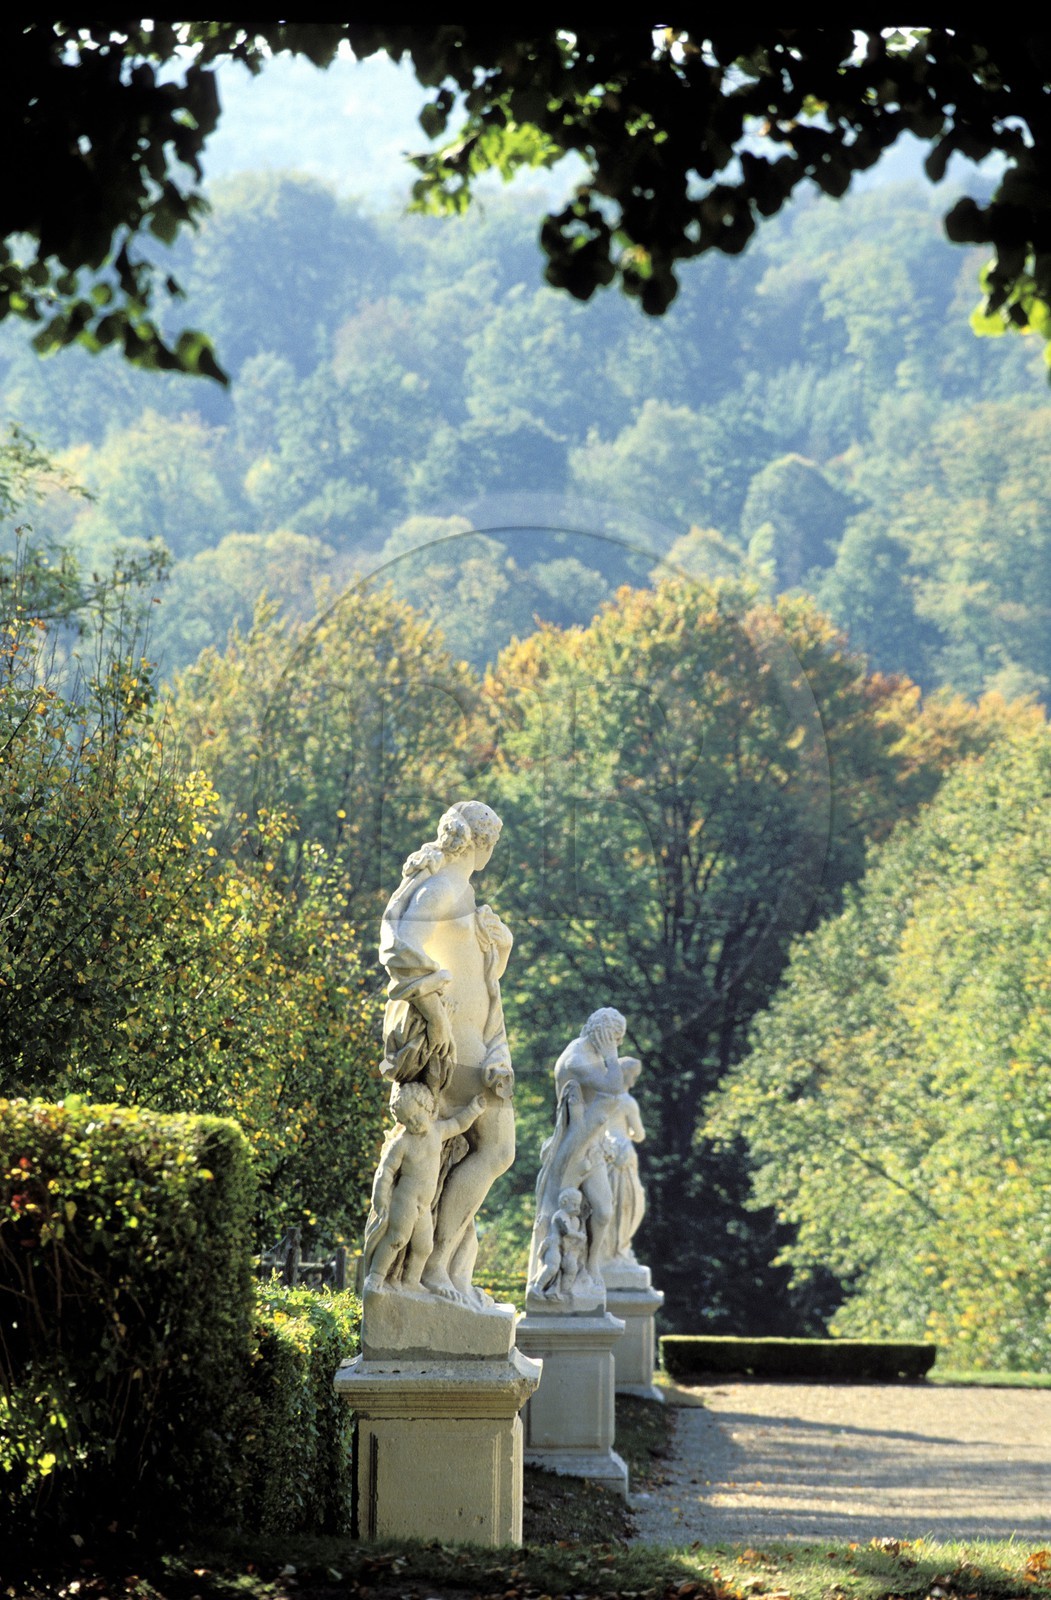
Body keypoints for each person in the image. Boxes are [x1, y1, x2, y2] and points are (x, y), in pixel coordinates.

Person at [376, 800, 514, 1304]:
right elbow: (397, 948)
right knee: (495, 1150)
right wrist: (435, 1015)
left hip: (478, 1043)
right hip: (455, 1048)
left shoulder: (461, 889)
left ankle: (445, 1271)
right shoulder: (440, 888)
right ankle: (434, 1271)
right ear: (479, 842)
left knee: (475, 1153)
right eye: (492, 844)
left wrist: (500, 944)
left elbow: (472, 969)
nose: (492, 853)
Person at [362, 1081, 486, 1292]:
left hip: (424, 1206)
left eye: (416, 1116)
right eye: (407, 1121)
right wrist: (380, 1198)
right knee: (397, 1239)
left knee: (424, 1247)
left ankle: (411, 1280)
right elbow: (386, 1171)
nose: (414, 1123)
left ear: (427, 1108)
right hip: (406, 1201)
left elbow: (458, 1124)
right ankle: (376, 1276)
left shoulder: (437, 1131)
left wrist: (474, 1110)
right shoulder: (403, 1143)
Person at [602, 1057, 646, 1265]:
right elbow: (639, 1135)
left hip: (604, 1153)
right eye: (633, 1076)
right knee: (628, 1204)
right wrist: (629, 1132)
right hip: (623, 1154)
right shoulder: (628, 1103)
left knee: (606, 1201)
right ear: (626, 1075)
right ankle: (618, 1250)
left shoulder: (602, 1098)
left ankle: (606, 1251)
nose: (634, 1082)